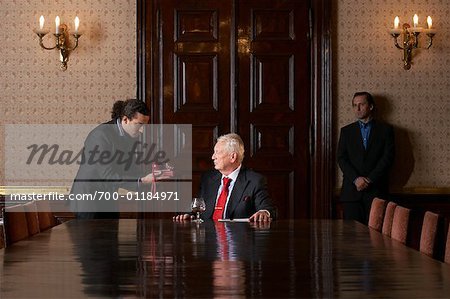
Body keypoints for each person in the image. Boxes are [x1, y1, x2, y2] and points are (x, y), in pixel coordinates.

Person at [70, 99, 172, 219]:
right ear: (125, 119)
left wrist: (156, 172)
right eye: (139, 124)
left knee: (112, 237)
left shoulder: (131, 136)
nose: (143, 129)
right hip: (88, 201)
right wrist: (142, 180)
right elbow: (107, 175)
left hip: (109, 198)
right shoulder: (100, 136)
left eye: (145, 125)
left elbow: (130, 168)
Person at [174, 133, 276, 222]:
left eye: (217, 152)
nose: (213, 157)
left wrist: (264, 213)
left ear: (232, 157)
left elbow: (267, 208)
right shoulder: (208, 179)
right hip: (208, 239)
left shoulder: (255, 180)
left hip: (238, 240)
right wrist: (188, 215)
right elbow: (197, 207)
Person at [337, 92, 395, 224]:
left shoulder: (386, 130)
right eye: (354, 105)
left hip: (376, 192)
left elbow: (388, 158)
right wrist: (356, 179)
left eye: (361, 104)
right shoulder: (346, 131)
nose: (357, 109)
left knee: (376, 238)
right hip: (351, 193)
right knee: (351, 238)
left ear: (371, 106)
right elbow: (341, 158)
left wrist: (369, 179)